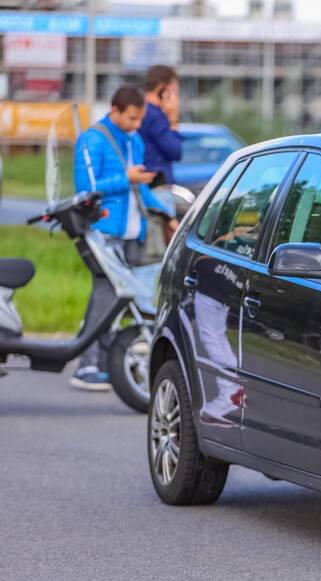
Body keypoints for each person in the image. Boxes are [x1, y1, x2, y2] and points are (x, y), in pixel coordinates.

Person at [70, 85, 176, 391]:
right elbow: (87, 188)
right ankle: (87, 364)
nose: (136, 125)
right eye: (132, 118)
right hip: (103, 233)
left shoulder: (134, 140)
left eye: (140, 118)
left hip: (131, 233)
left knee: (116, 302)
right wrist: (125, 178)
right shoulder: (93, 139)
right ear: (115, 110)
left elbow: (139, 190)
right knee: (105, 297)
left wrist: (166, 215)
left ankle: (102, 362)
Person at [139, 64, 184, 222]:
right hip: (157, 188)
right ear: (164, 89)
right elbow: (175, 151)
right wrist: (173, 118)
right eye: (174, 91)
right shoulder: (156, 115)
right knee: (160, 244)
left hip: (145, 186)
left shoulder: (141, 110)